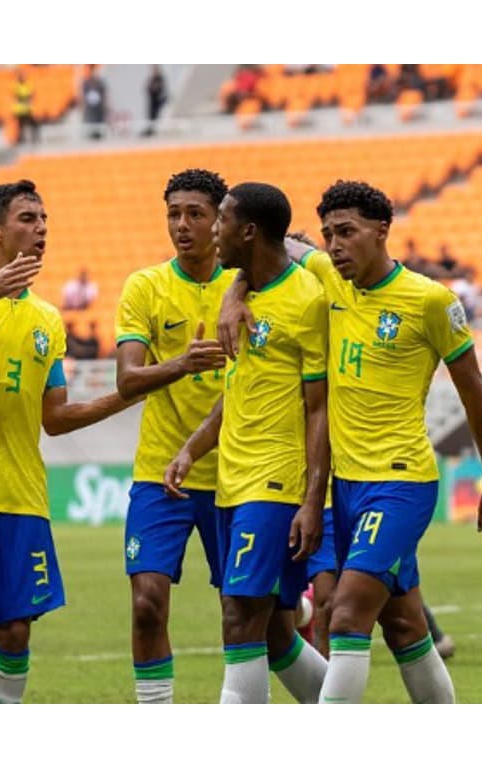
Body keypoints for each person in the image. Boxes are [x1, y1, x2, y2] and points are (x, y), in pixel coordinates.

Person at [219, 180, 482, 704]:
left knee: (347, 612)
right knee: (404, 627)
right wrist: (233, 295)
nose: (334, 246)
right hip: (344, 488)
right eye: (329, 234)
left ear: (382, 231)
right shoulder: (326, 279)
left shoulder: (430, 301)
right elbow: (260, 250)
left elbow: (475, 393)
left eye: (347, 233)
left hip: (400, 482)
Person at [0, 179, 134, 704]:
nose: (41, 230)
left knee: (15, 634)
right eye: (28, 219)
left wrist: (125, 396)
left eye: (44, 221)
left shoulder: (47, 319)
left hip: (23, 497)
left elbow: (55, 417)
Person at [164, 182, 330, 704]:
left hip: (275, 481)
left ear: (249, 231)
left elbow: (320, 408)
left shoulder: (308, 299)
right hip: (232, 480)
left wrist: (311, 500)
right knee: (276, 633)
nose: (213, 229)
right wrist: (192, 448)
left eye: (222, 220)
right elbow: (237, 394)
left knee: (239, 616)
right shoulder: (243, 296)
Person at [116, 169, 240, 704]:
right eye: (174, 213)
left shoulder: (246, 286)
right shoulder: (145, 286)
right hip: (159, 472)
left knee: (240, 611)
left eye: (195, 214)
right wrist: (181, 364)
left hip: (235, 474)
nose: (182, 225)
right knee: (147, 602)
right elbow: (127, 379)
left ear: (220, 221)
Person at [81, 66, 108, 140]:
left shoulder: (100, 82)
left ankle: (99, 136)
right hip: (90, 107)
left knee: (99, 122)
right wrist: (83, 106)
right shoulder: (86, 82)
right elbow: (83, 95)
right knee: (91, 122)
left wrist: (105, 104)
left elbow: (104, 94)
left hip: (99, 107)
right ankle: (92, 136)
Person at [12, 71, 38, 145]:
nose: (23, 78)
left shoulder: (27, 85)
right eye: (22, 76)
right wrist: (26, 97)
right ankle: (20, 140)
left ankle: (33, 138)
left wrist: (29, 97)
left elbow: (31, 95)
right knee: (21, 126)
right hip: (20, 110)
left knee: (32, 124)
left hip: (26, 109)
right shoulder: (16, 86)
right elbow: (18, 97)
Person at [142, 65, 167, 137]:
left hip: (158, 102)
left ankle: (153, 131)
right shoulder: (152, 79)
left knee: (156, 117)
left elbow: (159, 89)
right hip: (152, 102)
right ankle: (150, 131)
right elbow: (148, 88)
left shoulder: (160, 78)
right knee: (150, 116)